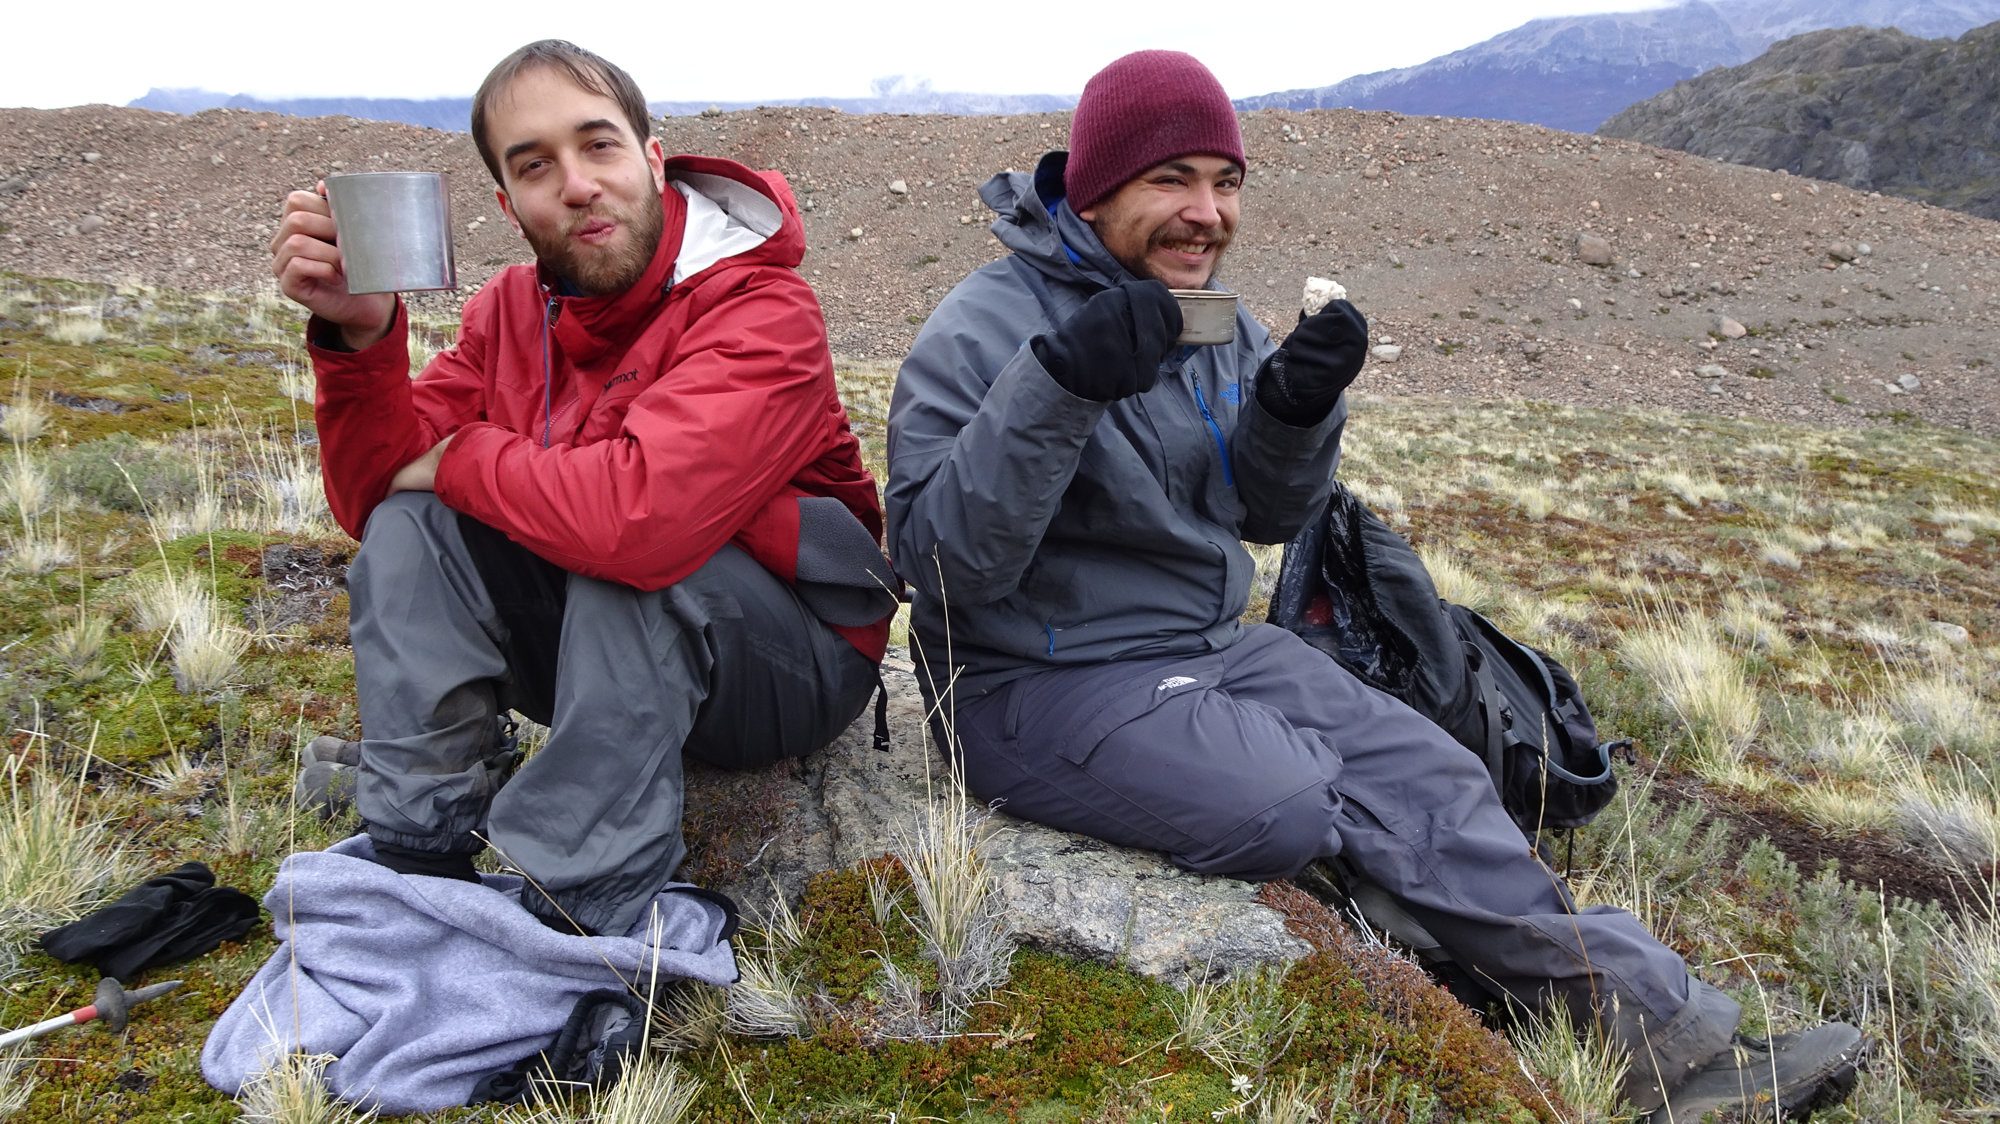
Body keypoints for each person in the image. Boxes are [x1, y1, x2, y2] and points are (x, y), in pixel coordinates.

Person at [886, 49, 1863, 1120]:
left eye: (1226, 180)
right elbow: (944, 567)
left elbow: (1263, 514)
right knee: (1288, 796)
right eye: (1172, 180)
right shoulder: (981, 328)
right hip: (1031, 677)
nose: (1205, 213)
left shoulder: (1210, 320)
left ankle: (1659, 1036)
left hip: (1206, 646)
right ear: (1095, 185)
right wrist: (1059, 384)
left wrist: (1297, 411)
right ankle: (1462, 971)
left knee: (1430, 772)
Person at [270, 40, 894, 939]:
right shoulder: (508, 312)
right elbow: (377, 487)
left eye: (598, 146)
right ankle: (420, 848)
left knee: (631, 561)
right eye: (536, 166)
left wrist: (458, 457)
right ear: (508, 202)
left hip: (793, 661)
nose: (575, 184)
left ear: (649, 157)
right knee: (413, 525)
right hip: (599, 659)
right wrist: (361, 341)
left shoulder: (763, 310)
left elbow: (641, 524)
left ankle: (577, 911)